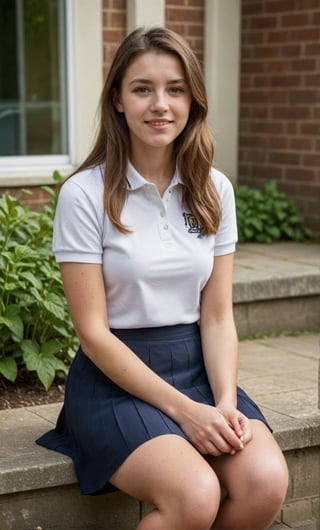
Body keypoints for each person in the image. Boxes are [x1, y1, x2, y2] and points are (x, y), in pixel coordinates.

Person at [37, 27, 288, 530]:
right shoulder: (84, 194)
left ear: (193, 99)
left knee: (265, 484)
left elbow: (216, 317)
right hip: (116, 377)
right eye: (142, 88)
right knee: (195, 497)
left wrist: (220, 404)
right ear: (117, 99)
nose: (161, 105)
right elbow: (92, 333)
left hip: (199, 368)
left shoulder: (215, 189)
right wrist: (186, 413)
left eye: (175, 89)